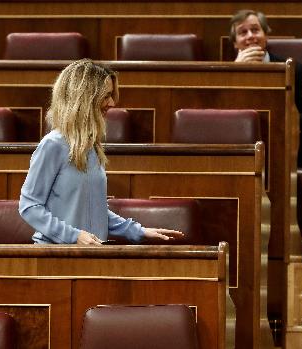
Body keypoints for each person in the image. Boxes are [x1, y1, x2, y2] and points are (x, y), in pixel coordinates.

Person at [19, 59, 183, 245]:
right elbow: (29, 206)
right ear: (84, 98)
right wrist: (74, 236)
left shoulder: (91, 146)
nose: (112, 103)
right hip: (55, 258)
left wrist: (138, 231)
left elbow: (92, 210)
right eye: (106, 96)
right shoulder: (53, 145)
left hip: (91, 256)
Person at [229, 9, 302, 171]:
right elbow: (223, 118)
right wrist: (236, 72)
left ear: (265, 36)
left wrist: (282, 122)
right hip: (241, 152)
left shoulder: (293, 70)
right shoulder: (226, 75)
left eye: (255, 30)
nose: (250, 36)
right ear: (235, 43)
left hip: (287, 152)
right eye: (242, 32)